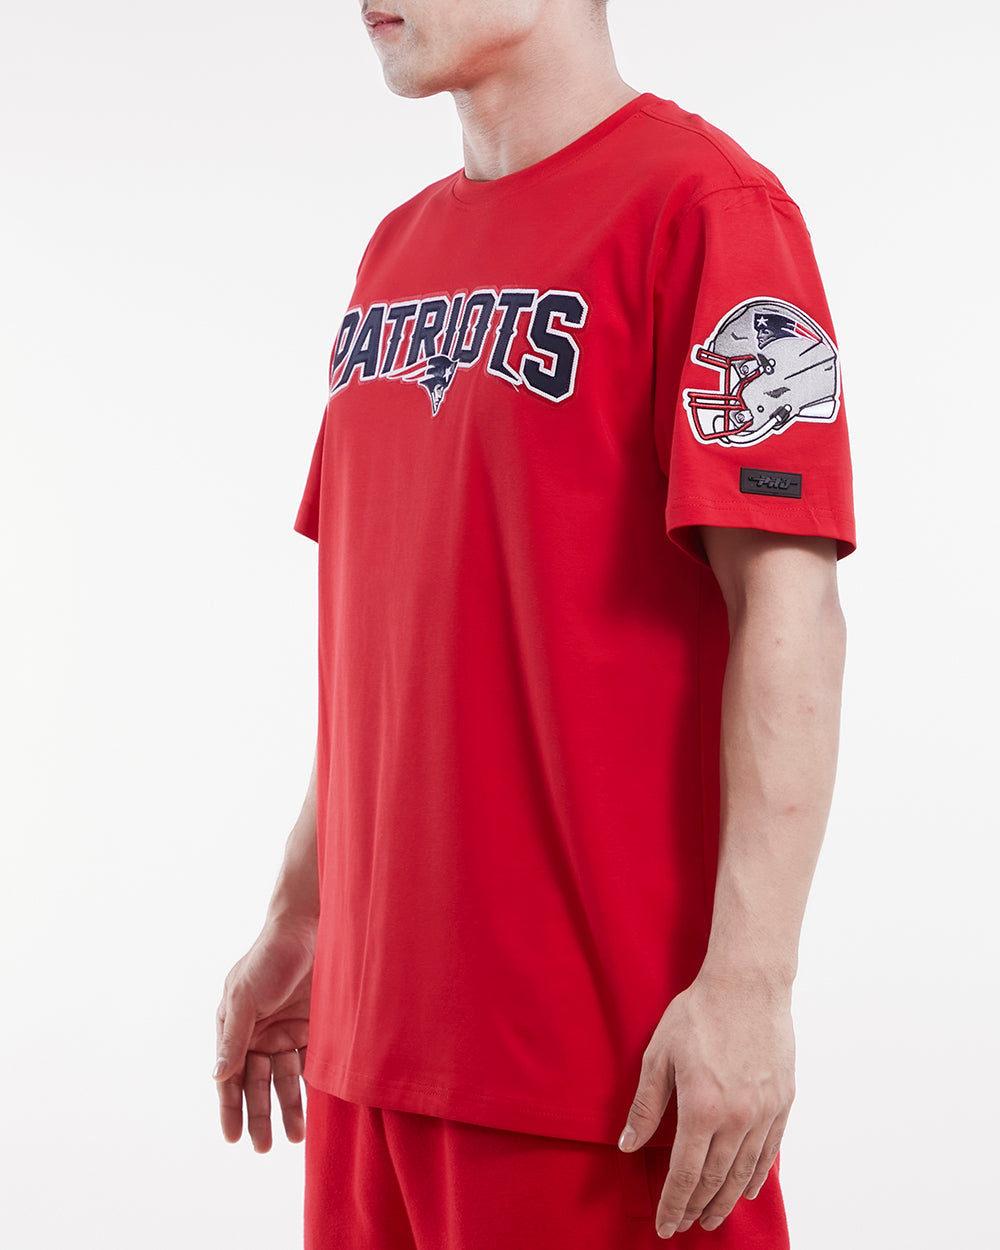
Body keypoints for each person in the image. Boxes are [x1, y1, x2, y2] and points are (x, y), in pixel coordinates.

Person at [214, 1, 855, 1245]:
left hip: (595, 1075)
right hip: (366, 1055)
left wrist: (751, 980)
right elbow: (394, 645)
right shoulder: (394, 252)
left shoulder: (707, 212)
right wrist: (300, 915)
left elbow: (792, 607)